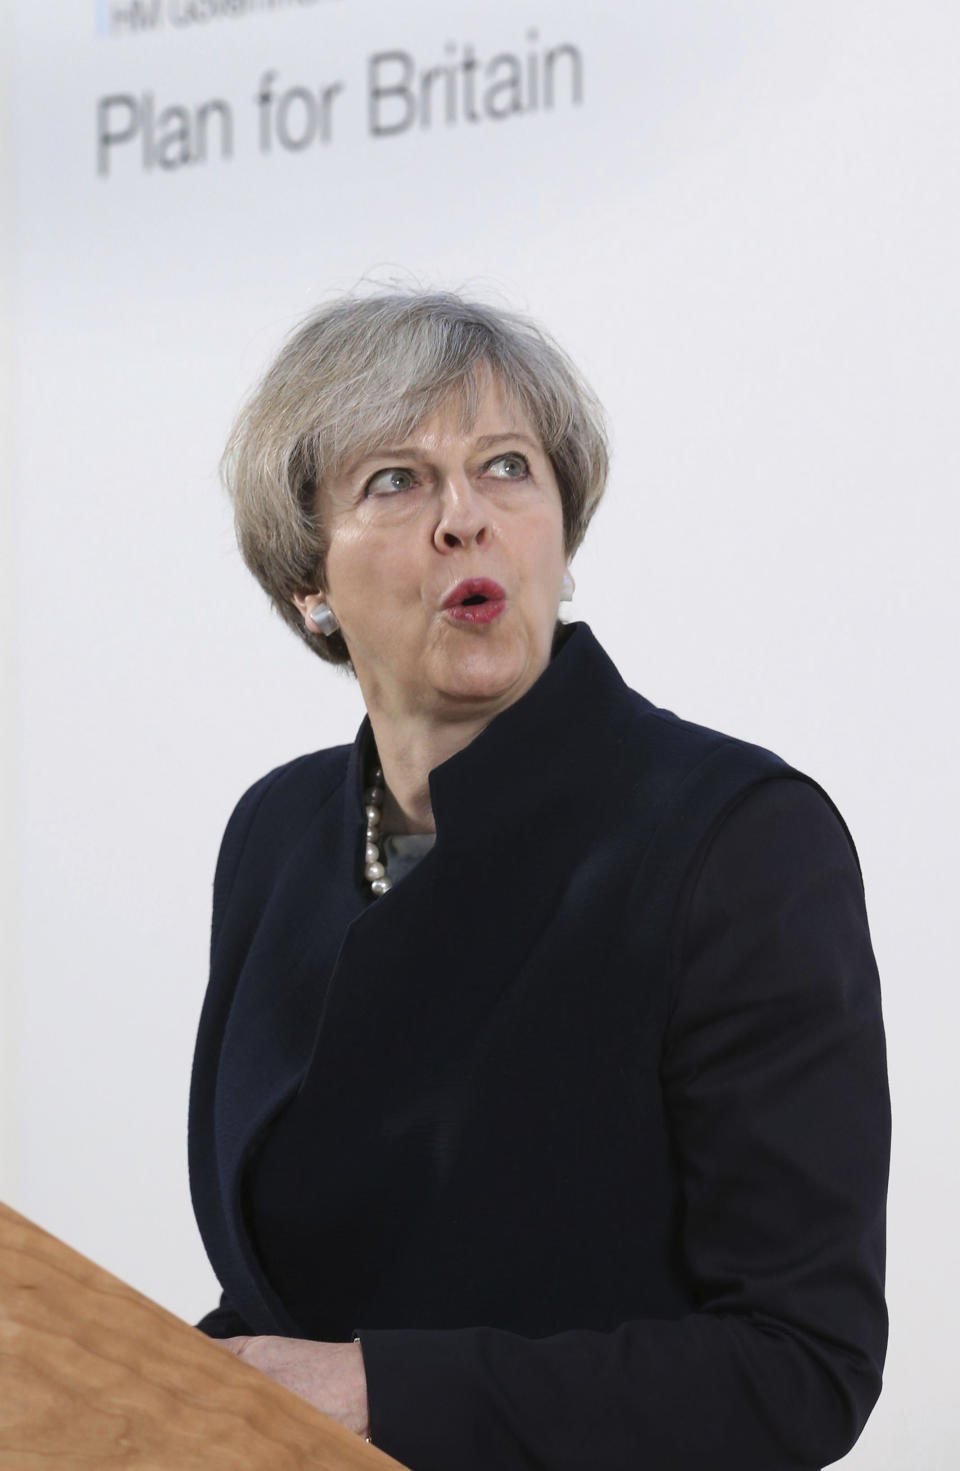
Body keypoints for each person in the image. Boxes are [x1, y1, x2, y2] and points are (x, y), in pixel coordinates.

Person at [189, 290, 889, 1470]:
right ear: (307, 579)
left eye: (505, 467)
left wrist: (379, 1390)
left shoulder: (739, 842)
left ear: (560, 538)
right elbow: (288, 1297)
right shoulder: (275, 831)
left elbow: (800, 1366)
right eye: (396, 481)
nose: (466, 519)